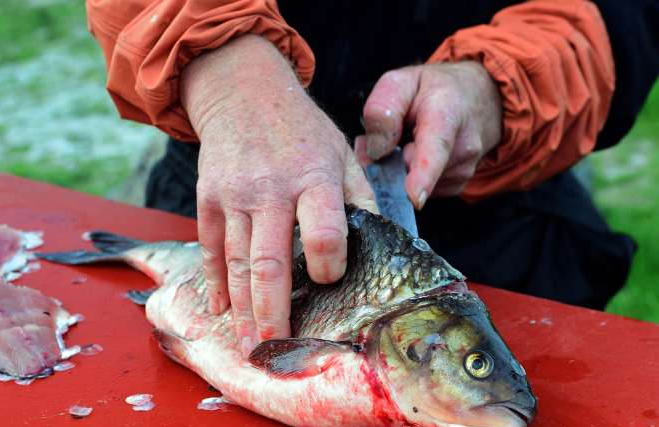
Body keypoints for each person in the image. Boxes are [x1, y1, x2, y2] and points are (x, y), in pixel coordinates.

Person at [86, 0, 658, 356]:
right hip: (228, 201)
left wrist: (501, 87)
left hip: (510, 222)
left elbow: (625, 13)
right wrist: (226, 70)